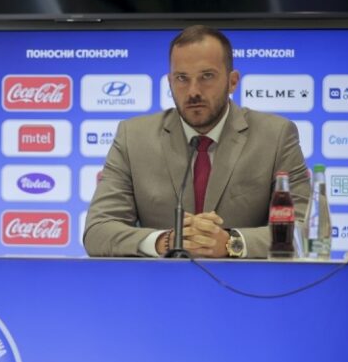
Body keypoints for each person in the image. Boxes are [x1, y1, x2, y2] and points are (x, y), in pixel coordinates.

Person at [84, 25, 309, 258]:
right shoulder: (133, 137)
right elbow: (98, 230)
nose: (193, 91)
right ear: (170, 82)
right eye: (182, 78)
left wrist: (232, 242)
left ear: (232, 81)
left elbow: (304, 231)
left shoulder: (275, 136)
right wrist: (166, 241)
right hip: (160, 280)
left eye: (206, 76)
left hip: (245, 281)